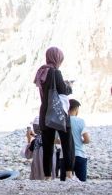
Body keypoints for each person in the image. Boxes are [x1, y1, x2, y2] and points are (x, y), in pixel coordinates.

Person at [34, 46, 76, 181]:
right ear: (57, 58)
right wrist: (69, 85)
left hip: (45, 112)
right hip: (59, 112)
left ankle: (47, 177)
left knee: (47, 145)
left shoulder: (41, 71)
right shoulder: (55, 72)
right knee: (67, 142)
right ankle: (69, 174)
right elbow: (63, 91)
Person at [68, 99, 89, 181]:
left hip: (65, 156)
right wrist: (80, 141)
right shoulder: (80, 121)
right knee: (82, 183)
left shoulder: (61, 121)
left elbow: (55, 140)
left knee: (64, 183)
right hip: (79, 155)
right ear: (76, 109)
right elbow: (87, 140)